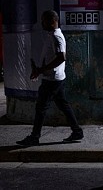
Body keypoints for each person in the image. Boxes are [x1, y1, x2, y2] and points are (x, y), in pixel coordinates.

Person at [16, 10, 83, 146]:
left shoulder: (56, 37)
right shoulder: (51, 35)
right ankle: (77, 131)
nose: (42, 23)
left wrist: (41, 69)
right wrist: (39, 70)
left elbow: (61, 57)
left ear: (53, 21)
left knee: (41, 107)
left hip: (52, 79)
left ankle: (35, 137)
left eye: (44, 20)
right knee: (63, 105)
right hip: (54, 78)